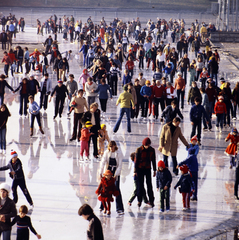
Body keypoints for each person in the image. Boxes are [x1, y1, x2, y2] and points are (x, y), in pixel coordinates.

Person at [99, 141, 124, 214]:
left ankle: (119, 208)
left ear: (115, 146)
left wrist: (116, 174)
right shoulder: (107, 152)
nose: (111, 149)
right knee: (105, 188)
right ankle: (102, 206)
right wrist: (101, 172)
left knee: (116, 188)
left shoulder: (119, 153)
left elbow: (120, 165)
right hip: (108, 171)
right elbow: (103, 162)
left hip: (116, 171)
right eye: (110, 147)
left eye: (112, 147)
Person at [135, 137, 156, 207]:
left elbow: (153, 160)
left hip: (148, 169)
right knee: (140, 185)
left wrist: (154, 170)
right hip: (140, 169)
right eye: (146, 145)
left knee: (149, 185)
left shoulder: (152, 150)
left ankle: (151, 200)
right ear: (143, 144)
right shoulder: (139, 150)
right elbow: (136, 161)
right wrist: (135, 171)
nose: (147, 146)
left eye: (148, 145)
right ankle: (139, 200)